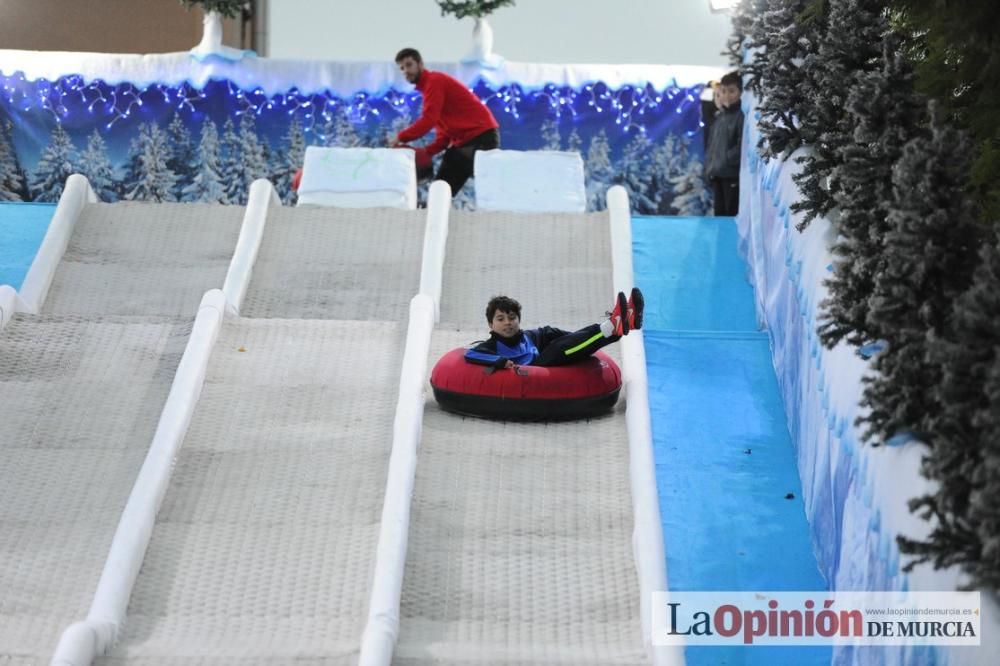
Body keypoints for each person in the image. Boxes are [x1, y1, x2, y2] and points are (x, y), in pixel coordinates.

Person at [388, 47, 500, 195]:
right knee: (441, 187)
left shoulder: (434, 82)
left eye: (409, 65)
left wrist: (400, 137)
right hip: (469, 140)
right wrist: (427, 152)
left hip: (480, 137)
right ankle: (435, 211)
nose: (405, 71)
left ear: (420, 64)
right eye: (401, 68)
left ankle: (436, 211)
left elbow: (429, 120)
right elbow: (444, 134)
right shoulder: (430, 88)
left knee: (443, 186)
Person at [465, 289, 644, 370]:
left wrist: (580, 339)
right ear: (490, 324)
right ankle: (613, 325)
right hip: (535, 371)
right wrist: (500, 361)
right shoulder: (491, 346)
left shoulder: (529, 337)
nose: (507, 323)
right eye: (500, 319)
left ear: (519, 320)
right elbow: (471, 355)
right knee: (559, 349)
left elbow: (569, 337)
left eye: (512, 318)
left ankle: (623, 323)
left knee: (559, 337)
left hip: (547, 361)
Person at [704, 71, 744, 216]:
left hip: (732, 176)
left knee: (731, 217)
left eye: (732, 91)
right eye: (723, 91)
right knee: (719, 216)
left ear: (741, 92)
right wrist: (710, 167)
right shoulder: (720, 116)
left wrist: (727, 159)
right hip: (718, 176)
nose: (727, 96)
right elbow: (712, 146)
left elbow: (742, 146)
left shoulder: (741, 116)